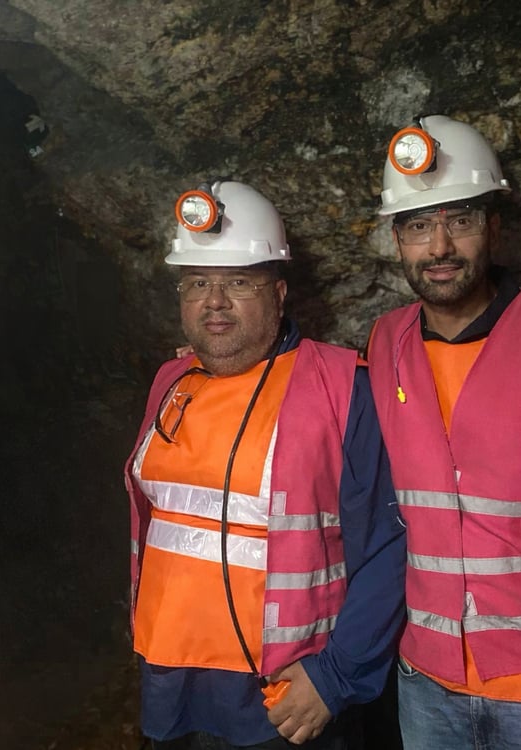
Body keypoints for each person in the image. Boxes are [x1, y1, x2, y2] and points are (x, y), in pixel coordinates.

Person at [365, 114, 521, 749]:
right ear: (397, 240)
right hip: (427, 684)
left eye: (461, 220)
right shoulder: (383, 342)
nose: (440, 247)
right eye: (418, 226)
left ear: (495, 228)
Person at [124, 179, 407, 749]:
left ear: (278, 294)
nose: (214, 301)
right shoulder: (170, 381)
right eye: (197, 282)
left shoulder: (341, 388)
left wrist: (334, 678)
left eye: (238, 282)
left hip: (282, 697)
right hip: (170, 681)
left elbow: (390, 545)